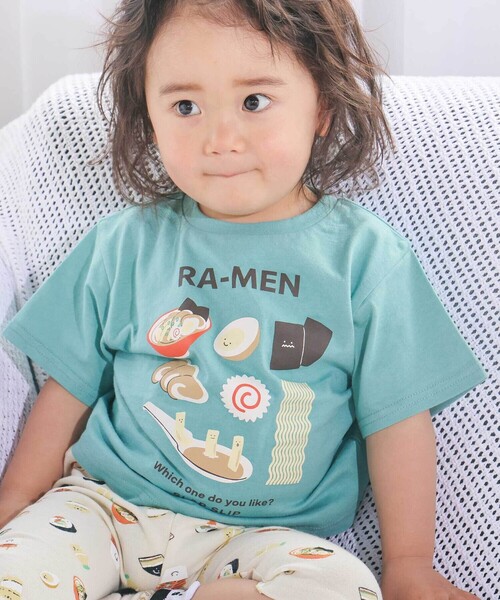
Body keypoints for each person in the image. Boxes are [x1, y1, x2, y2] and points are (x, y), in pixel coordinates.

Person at [0, 1, 487, 599]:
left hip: (260, 542)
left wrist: (409, 562)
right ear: (149, 119)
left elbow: (399, 421)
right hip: (103, 508)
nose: (221, 140)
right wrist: (14, 502)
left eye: (254, 101)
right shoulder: (124, 245)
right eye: (185, 107)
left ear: (322, 107)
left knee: (342, 586)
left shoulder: (365, 261)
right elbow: (67, 388)